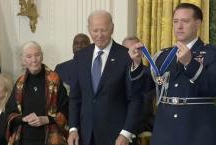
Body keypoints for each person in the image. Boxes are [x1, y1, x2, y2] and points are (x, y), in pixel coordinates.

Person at [129, 3, 216, 145]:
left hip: (197, 130)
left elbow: (212, 87)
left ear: (197, 23)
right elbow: (143, 90)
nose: (179, 26)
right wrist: (137, 64)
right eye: (176, 21)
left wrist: (190, 63)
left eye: (185, 21)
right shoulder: (163, 55)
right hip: (165, 130)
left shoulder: (211, 53)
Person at [68, 10, 142, 145]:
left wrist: (126, 133)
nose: (99, 35)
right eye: (95, 30)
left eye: (104, 30)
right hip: (85, 135)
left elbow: (135, 99)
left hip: (117, 136)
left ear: (112, 28)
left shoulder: (126, 56)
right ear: (89, 29)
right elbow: (75, 97)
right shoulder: (81, 57)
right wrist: (73, 128)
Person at [6, 41, 68, 145]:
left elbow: (66, 109)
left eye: (37, 55)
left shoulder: (55, 80)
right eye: (29, 57)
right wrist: (23, 119)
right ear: (23, 60)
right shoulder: (19, 83)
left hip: (51, 138)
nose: (34, 60)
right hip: (23, 139)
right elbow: (10, 112)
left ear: (42, 56)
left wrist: (47, 119)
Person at [122, 36, 154, 145]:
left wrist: (128, 125)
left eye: (136, 50)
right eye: (128, 50)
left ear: (142, 53)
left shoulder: (149, 74)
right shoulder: (116, 72)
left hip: (140, 120)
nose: (132, 53)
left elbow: (144, 104)